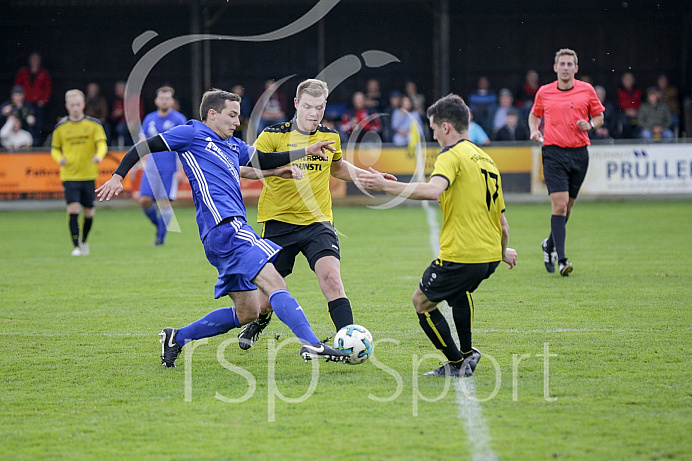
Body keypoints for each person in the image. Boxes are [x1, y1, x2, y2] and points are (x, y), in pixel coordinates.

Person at [96, 88, 350, 366]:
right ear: (212, 114)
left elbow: (262, 159)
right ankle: (312, 344)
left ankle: (176, 338)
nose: (236, 122)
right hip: (226, 227)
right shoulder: (192, 134)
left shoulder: (233, 145)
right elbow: (144, 146)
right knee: (275, 282)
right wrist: (118, 176)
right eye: (231, 115)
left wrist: (305, 151)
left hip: (219, 236)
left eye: (238, 116)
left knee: (248, 311)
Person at [355, 94, 517, 377]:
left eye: (432, 129)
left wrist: (386, 186)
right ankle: (468, 354)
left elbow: (433, 190)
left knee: (421, 301)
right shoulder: (487, 160)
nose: (434, 136)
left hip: (463, 253)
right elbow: (502, 223)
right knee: (457, 293)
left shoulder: (451, 155)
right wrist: (503, 251)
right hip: (489, 255)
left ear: (446, 128)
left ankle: (457, 363)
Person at [236, 79, 396, 350]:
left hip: (317, 222)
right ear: (297, 104)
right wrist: (276, 171)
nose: (314, 113)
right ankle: (261, 321)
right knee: (264, 301)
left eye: (319, 107)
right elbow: (246, 168)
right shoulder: (273, 135)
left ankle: (350, 342)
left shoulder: (330, 136)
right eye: (308, 106)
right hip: (278, 223)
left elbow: (338, 167)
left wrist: (370, 176)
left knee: (332, 278)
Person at [529, 48, 605, 276]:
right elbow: (535, 114)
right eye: (561, 64)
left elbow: (599, 116)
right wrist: (534, 129)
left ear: (576, 68)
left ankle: (549, 245)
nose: (565, 67)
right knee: (559, 205)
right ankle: (562, 260)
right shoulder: (544, 92)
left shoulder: (586, 90)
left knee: (567, 209)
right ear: (555, 68)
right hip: (553, 152)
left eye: (569, 64)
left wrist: (590, 125)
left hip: (580, 153)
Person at [50, 89, 108, 256]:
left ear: (83, 105)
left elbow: (102, 144)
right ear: (67, 106)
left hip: (89, 174)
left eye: (78, 104)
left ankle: (84, 240)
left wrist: (99, 155)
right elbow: (54, 148)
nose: (75, 108)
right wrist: (58, 158)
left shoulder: (93, 125)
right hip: (69, 175)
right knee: (73, 209)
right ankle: (76, 245)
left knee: (89, 212)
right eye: (72, 105)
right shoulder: (61, 127)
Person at [136, 86, 187, 245]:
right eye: (162, 98)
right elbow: (142, 142)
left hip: (169, 168)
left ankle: (160, 238)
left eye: (167, 98)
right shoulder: (149, 118)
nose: (164, 101)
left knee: (164, 203)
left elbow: (183, 147)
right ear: (156, 101)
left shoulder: (179, 120)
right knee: (144, 200)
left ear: (172, 101)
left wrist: (180, 170)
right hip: (151, 167)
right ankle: (160, 226)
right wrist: (135, 162)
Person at [14, 52, 52, 145]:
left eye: (36, 59)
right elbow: (17, 86)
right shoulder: (23, 72)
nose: (34, 61)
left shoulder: (43, 73)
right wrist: (19, 100)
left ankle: (36, 144)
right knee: (25, 123)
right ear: (29, 61)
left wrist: (43, 101)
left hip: (38, 104)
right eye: (33, 59)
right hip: (25, 103)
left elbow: (48, 88)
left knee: (38, 125)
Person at [616, 72, 642, 139]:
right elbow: (616, 105)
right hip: (623, 114)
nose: (628, 81)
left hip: (637, 114)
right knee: (624, 123)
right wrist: (625, 111)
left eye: (630, 79)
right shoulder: (618, 91)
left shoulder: (638, 91)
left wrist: (636, 111)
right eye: (626, 79)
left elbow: (642, 104)